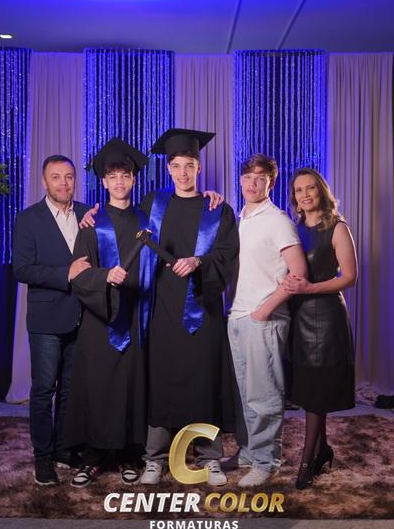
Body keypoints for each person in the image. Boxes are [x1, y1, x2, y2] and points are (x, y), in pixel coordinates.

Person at [139, 128, 239, 487]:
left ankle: (210, 458)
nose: (183, 173)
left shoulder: (218, 209)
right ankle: (154, 458)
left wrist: (199, 262)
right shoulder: (152, 205)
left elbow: (227, 255)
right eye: (177, 166)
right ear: (168, 169)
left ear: (199, 167)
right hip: (162, 310)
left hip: (202, 310)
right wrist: (91, 216)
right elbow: (122, 228)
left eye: (190, 165)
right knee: (161, 381)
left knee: (203, 382)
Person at [63, 138, 151, 488]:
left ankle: (130, 455)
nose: (119, 182)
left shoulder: (147, 219)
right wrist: (104, 277)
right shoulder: (92, 223)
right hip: (100, 321)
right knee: (98, 387)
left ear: (133, 179)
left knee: (132, 386)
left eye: (125, 175)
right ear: (103, 181)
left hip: (137, 316)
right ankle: (93, 458)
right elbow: (78, 272)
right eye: (112, 176)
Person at [228, 153, 307, 488]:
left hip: (265, 318)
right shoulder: (240, 218)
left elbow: (298, 272)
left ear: (270, 182)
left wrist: (264, 309)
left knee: (265, 395)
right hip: (237, 315)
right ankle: (249, 452)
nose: (252, 183)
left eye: (260, 177)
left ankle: (266, 461)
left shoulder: (278, 221)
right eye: (248, 177)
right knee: (246, 394)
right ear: (240, 180)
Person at [12, 155, 90, 485]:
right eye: (56, 177)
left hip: (82, 316)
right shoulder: (29, 219)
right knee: (44, 390)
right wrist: (65, 273)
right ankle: (43, 458)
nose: (63, 183)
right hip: (46, 320)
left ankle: (63, 449)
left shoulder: (88, 214)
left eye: (69, 176)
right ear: (44, 182)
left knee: (71, 390)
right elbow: (22, 269)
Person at [282, 168, 357, 490]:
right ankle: (323, 449)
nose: (305, 194)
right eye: (299, 190)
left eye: (311, 188)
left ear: (321, 191)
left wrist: (311, 288)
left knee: (316, 394)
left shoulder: (338, 228)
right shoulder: (293, 229)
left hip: (326, 318)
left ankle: (306, 463)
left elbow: (350, 276)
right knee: (313, 389)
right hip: (298, 316)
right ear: (295, 197)